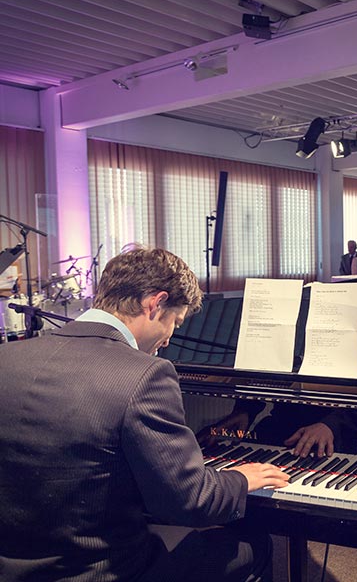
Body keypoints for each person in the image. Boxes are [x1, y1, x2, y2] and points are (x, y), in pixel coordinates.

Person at [0, 246, 289, 582]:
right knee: (250, 544)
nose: (169, 339)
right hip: (103, 571)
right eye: (175, 322)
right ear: (156, 304)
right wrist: (241, 479)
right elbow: (191, 502)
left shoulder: (8, 358)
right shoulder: (145, 375)